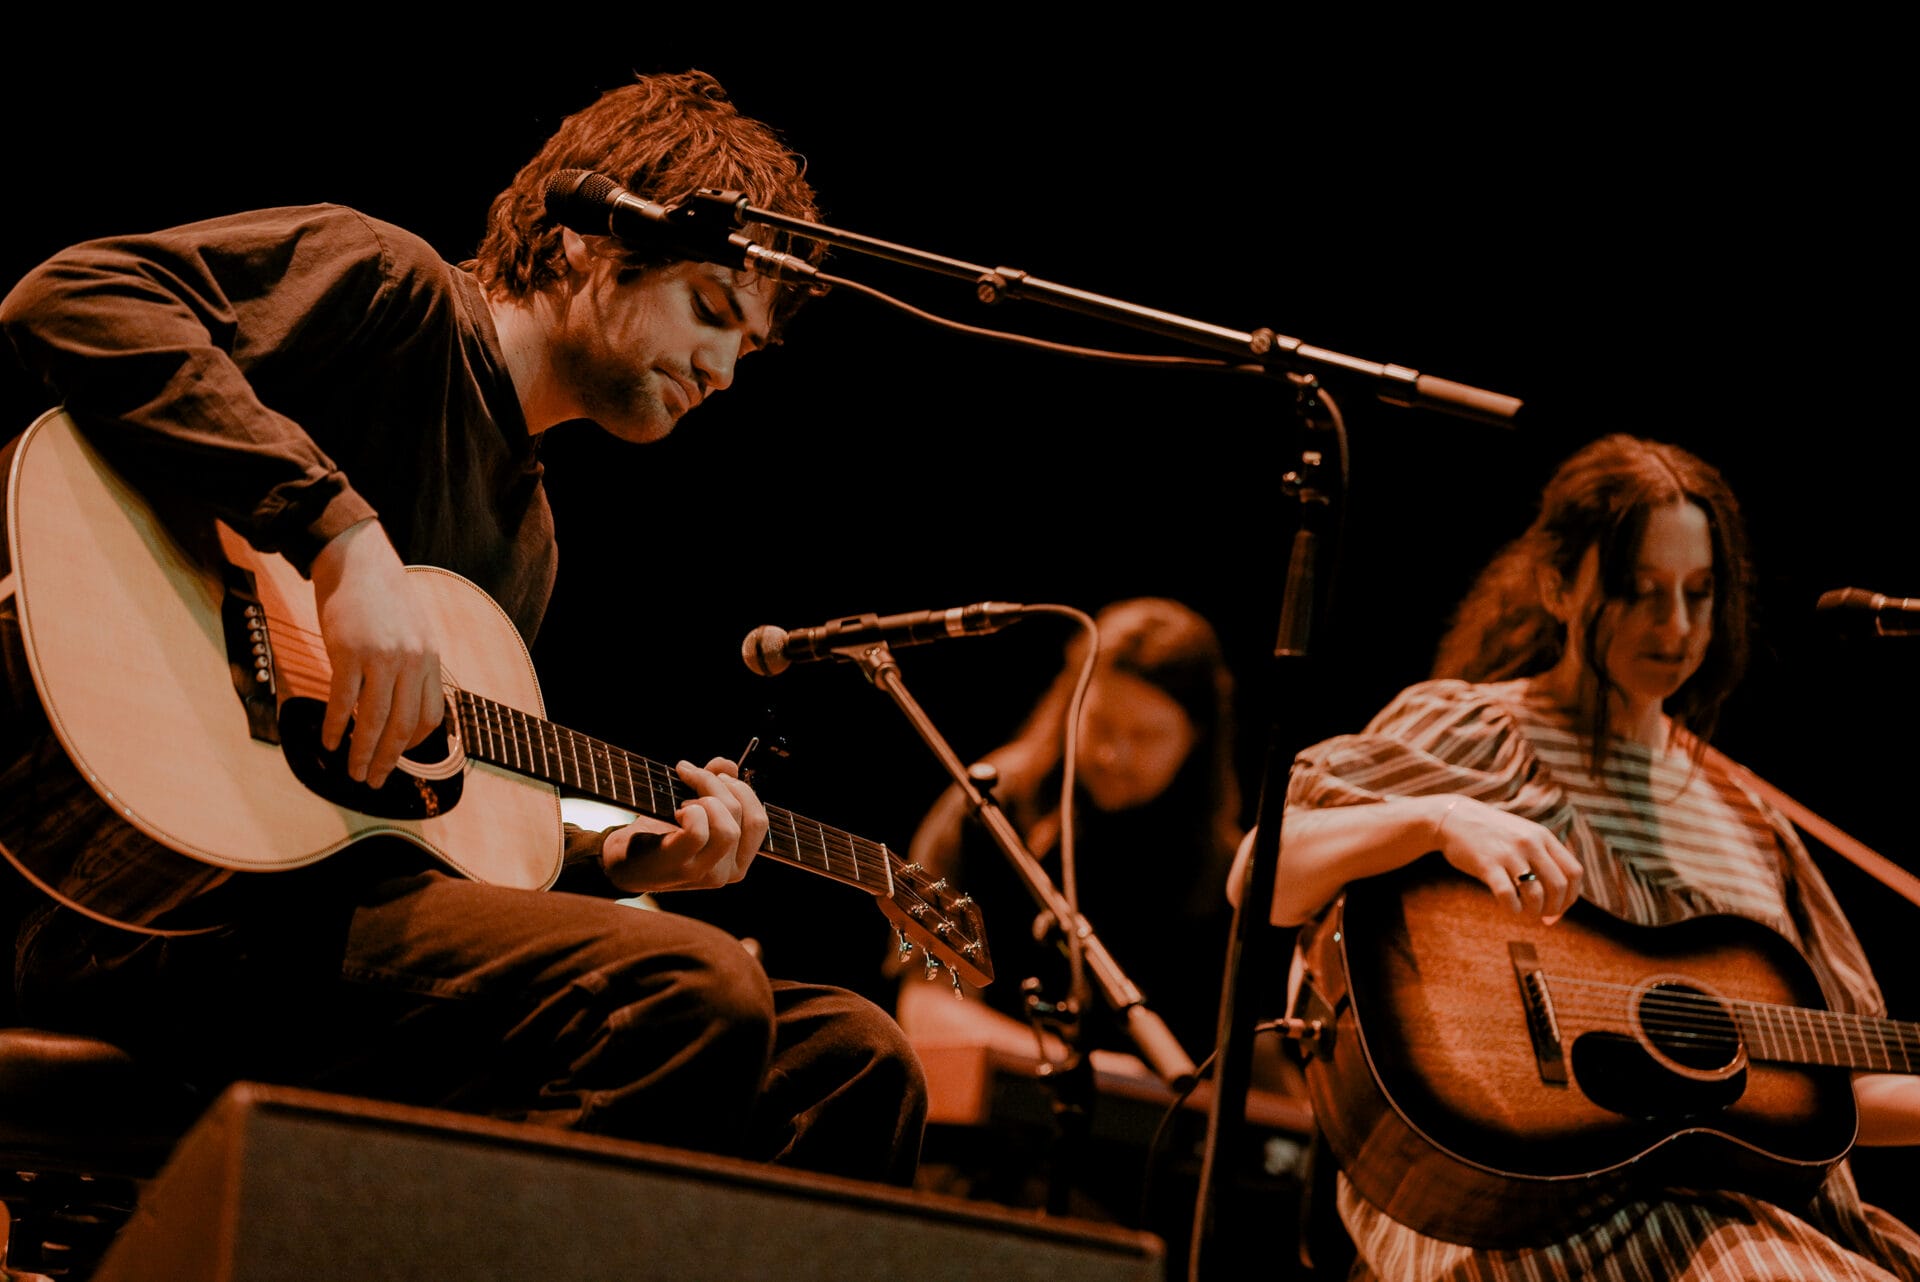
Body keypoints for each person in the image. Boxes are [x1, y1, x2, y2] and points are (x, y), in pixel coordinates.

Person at [0, 69, 927, 1187]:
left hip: (327, 930)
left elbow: (429, 825)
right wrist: (338, 536)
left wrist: (625, 855)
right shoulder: (388, 289)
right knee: (690, 988)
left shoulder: (525, 534)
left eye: (748, 347)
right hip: (150, 899)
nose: (723, 370)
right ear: (592, 242)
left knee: (852, 1055)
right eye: (712, 310)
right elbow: (74, 294)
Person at [1230, 434, 1920, 1279]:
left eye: (1699, 595)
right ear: (1559, 585)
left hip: (1738, 1207)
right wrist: (1437, 818)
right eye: (1638, 593)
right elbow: (1259, 874)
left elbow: (1830, 1080)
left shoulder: (1751, 816)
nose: (1674, 627)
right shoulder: (1477, 729)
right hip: (1515, 1205)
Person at [896, 596, 1300, 1098]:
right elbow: (927, 1007)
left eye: (1146, 736)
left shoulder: (1226, 871)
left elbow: (1258, 1056)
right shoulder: (987, 807)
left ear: (1197, 737)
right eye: (1101, 725)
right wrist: (1096, 1074)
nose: (1114, 755)